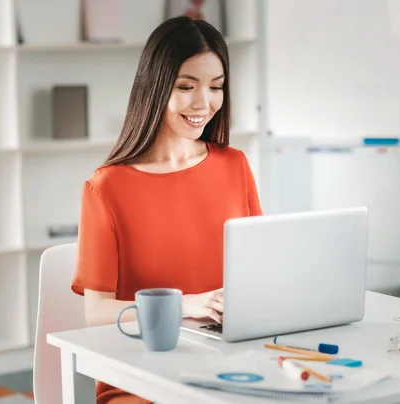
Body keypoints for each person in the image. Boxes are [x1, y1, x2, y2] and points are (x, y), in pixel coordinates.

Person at [71, 15, 262, 404]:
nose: (203, 103)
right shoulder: (106, 187)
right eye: (186, 86)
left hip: (231, 362)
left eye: (216, 87)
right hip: (142, 375)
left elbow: (260, 270)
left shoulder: (235, 165)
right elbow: (97, 311)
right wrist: (186, 303)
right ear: (155, 87)